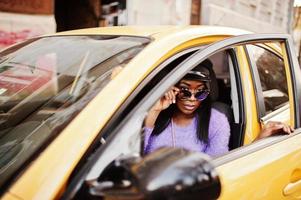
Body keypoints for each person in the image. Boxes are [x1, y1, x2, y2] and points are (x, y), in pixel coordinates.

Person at [143, 59, 293, 157]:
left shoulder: (216, 121)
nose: (192, 99)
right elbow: (135, 155)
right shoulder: (157, 115)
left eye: (200, 92)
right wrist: (155, 110)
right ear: (173, 89)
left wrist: (259, 141)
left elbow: (220, 168)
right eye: (185, 91)